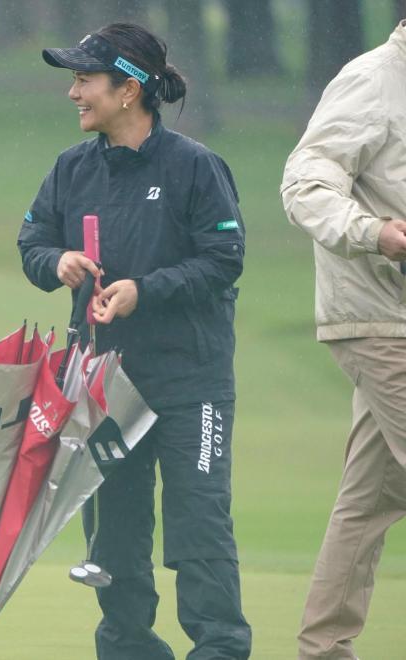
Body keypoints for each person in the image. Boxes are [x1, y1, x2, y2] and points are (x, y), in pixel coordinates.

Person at [18, 23, 251, 659]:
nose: (73, 92)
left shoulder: (194, 166)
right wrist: (57, 261)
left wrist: (143, 290)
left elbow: (224, 257)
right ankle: (128, 649)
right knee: (115, 535)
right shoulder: (72, 168)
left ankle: (220, 649)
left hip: (189, 383)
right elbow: (31, 243)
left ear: (128, 91)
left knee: (198, 523)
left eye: (84, 80)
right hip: (104, 384)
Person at [281, 21, 406, 660]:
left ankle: (323, 649)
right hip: (380, 318)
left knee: (373, 495)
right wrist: (374, 232)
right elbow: (305, 184)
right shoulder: (371, 80)